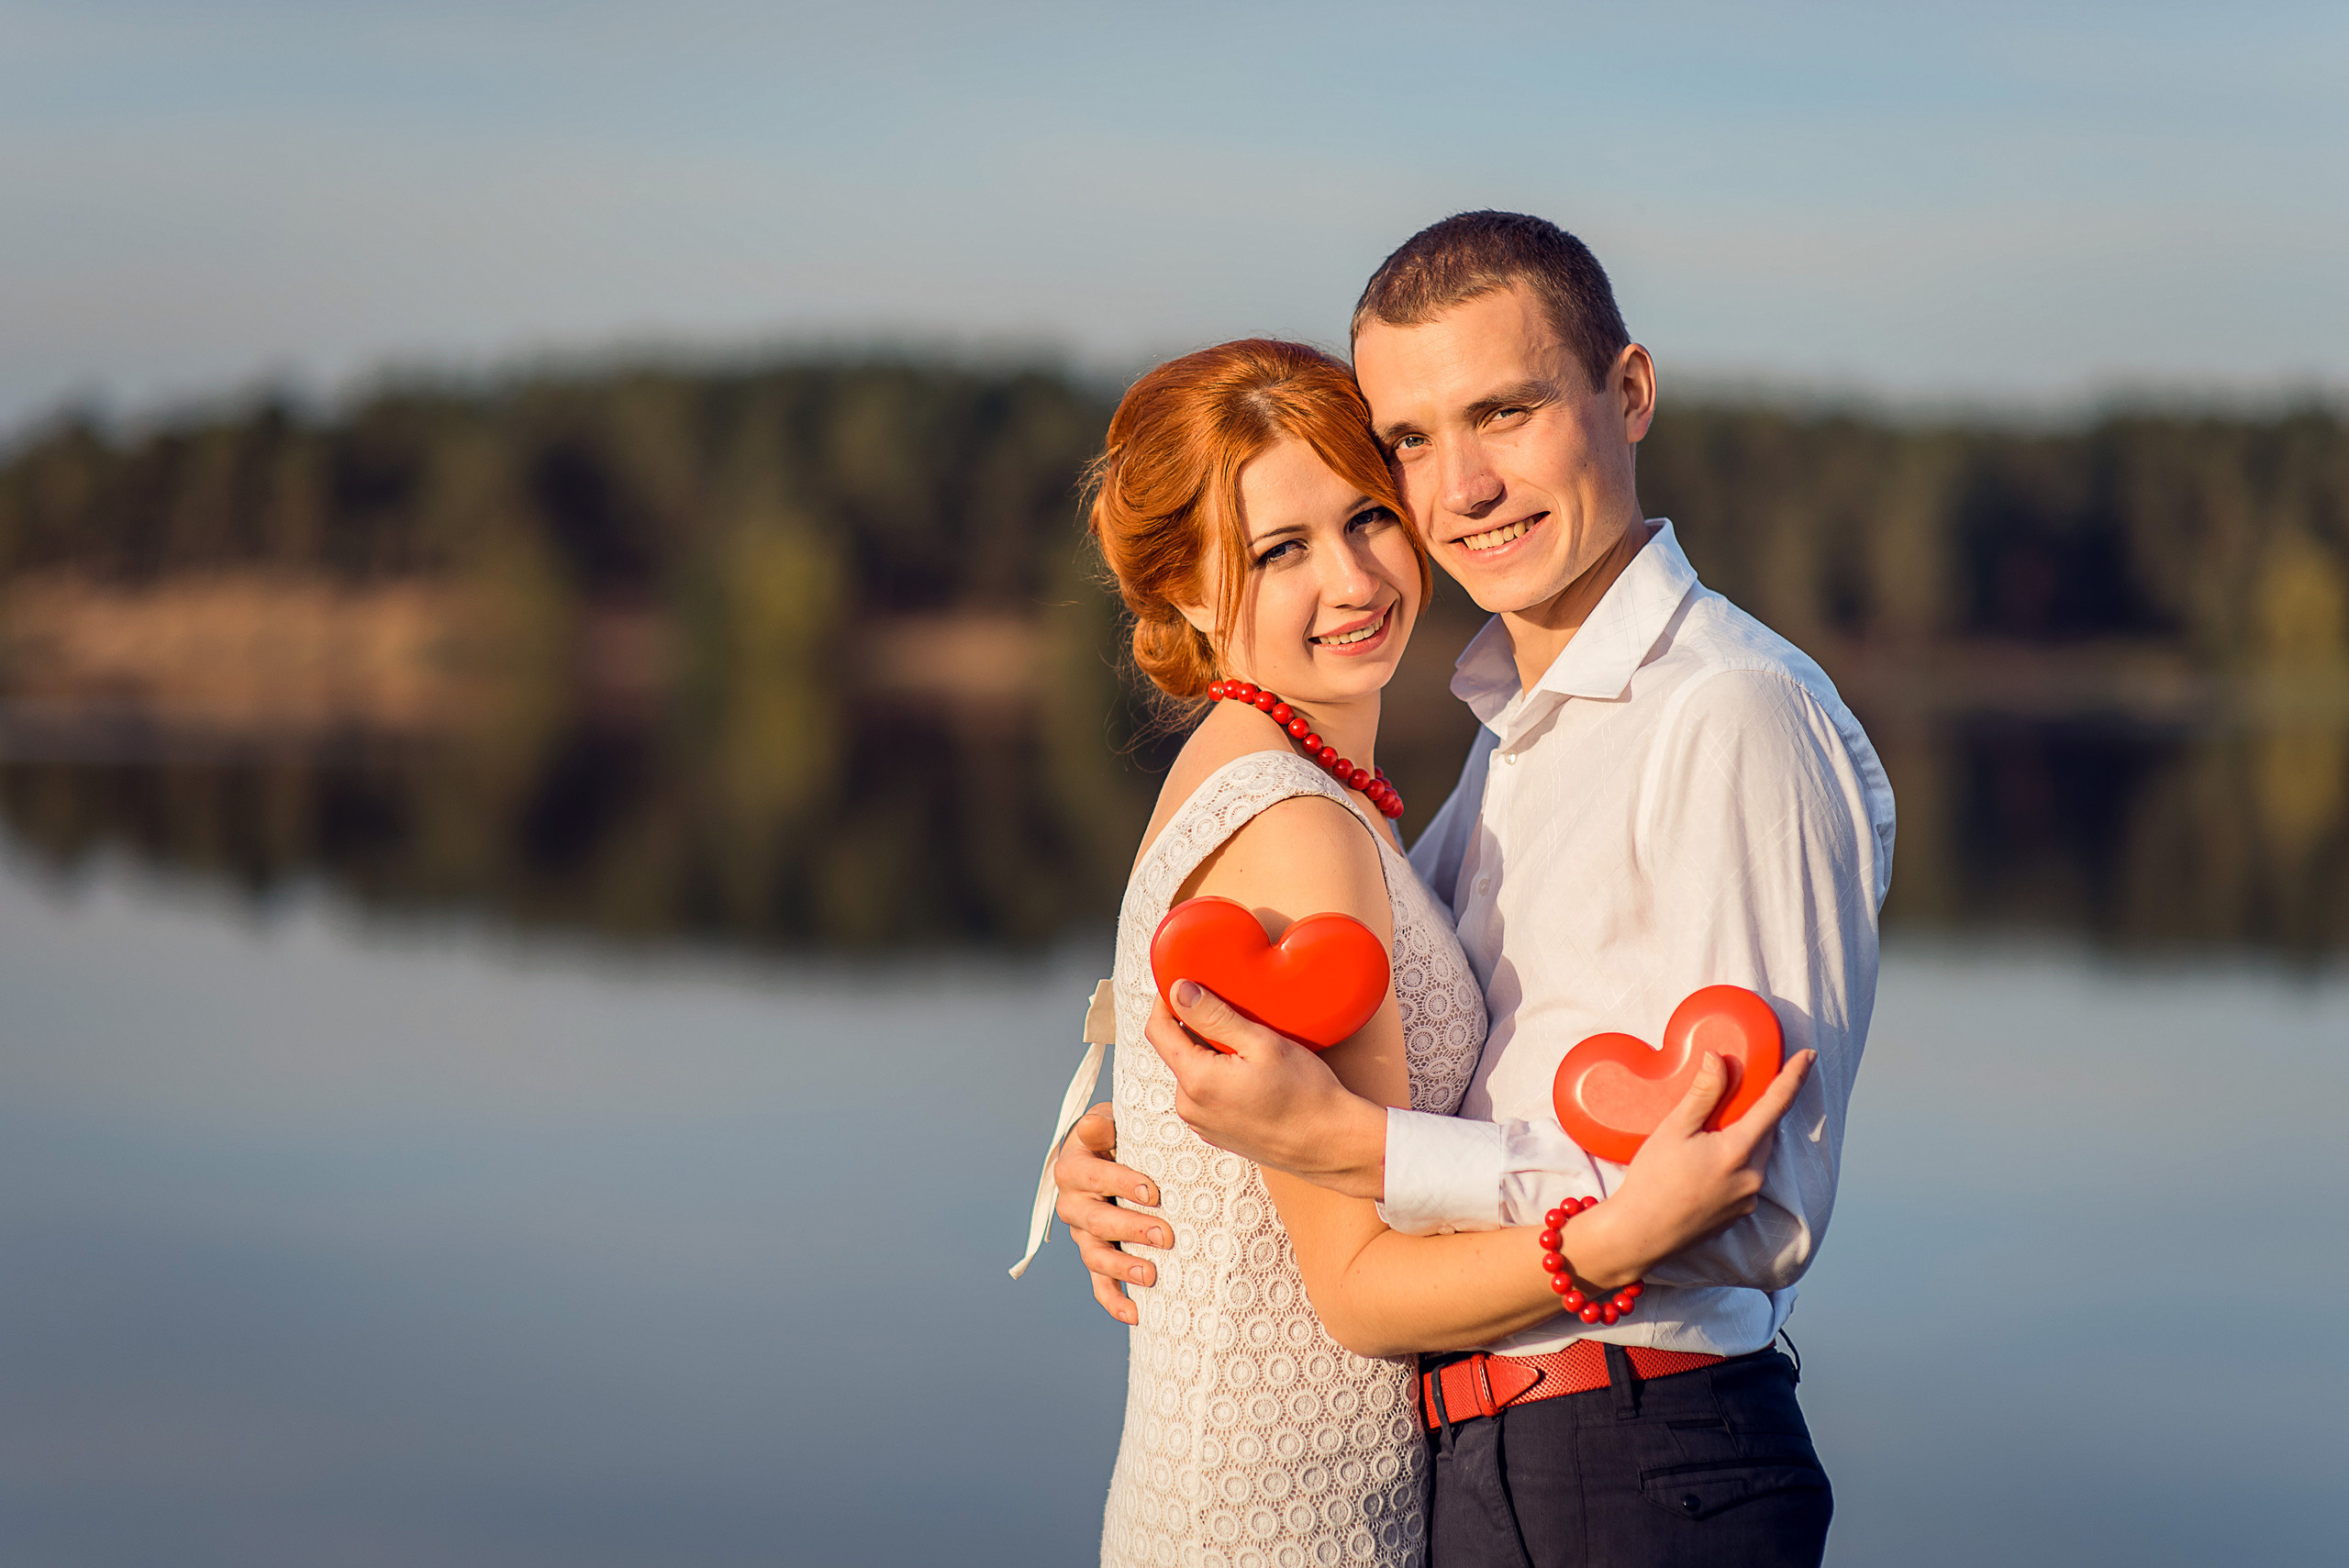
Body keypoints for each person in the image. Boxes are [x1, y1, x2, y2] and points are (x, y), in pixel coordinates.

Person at [1054, 214, 1895, 1567]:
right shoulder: (1508, 745)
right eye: (1413, 443)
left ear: (1627, 394)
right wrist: (1153, 1144)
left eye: (1505, 412)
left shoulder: (1726, 712)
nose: (1466, 488)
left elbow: (1762, 1197)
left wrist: (1356, 1150)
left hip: (1637, 1454)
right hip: (1490, 1459)